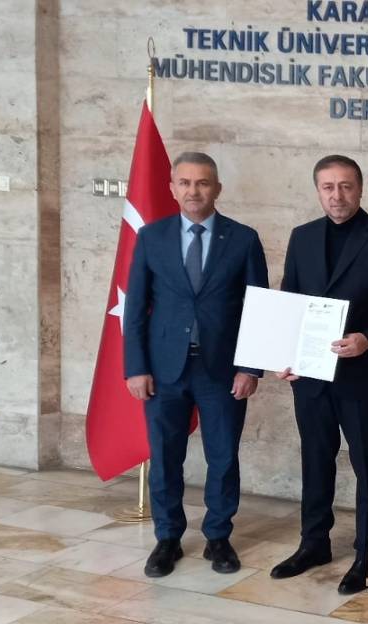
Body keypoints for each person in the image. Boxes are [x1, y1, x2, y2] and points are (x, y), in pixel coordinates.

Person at [270, 154, 368, 595]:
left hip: (365, 377)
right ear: (318, 191)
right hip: (310, 377)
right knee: (315, 460)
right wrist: (285, 354)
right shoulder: (302, 237)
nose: (337, 195)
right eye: (328, 187)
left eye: (346, 186)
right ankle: (313, 543)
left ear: (360, 188)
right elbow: (290, 299)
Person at [123, 151, 269, 578]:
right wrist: (136, 367)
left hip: (221, 371)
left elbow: (258, 309)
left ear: (217, 188)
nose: (193, 191)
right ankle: (167, 538)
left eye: (202, 183)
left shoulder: (243, 239)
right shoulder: (152, 237)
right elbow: (135, 309)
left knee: (223, 457)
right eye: (185, 183)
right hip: (163, 370)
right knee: (165, 456)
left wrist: (250, 368)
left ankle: (218, 536)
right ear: (172, 188)